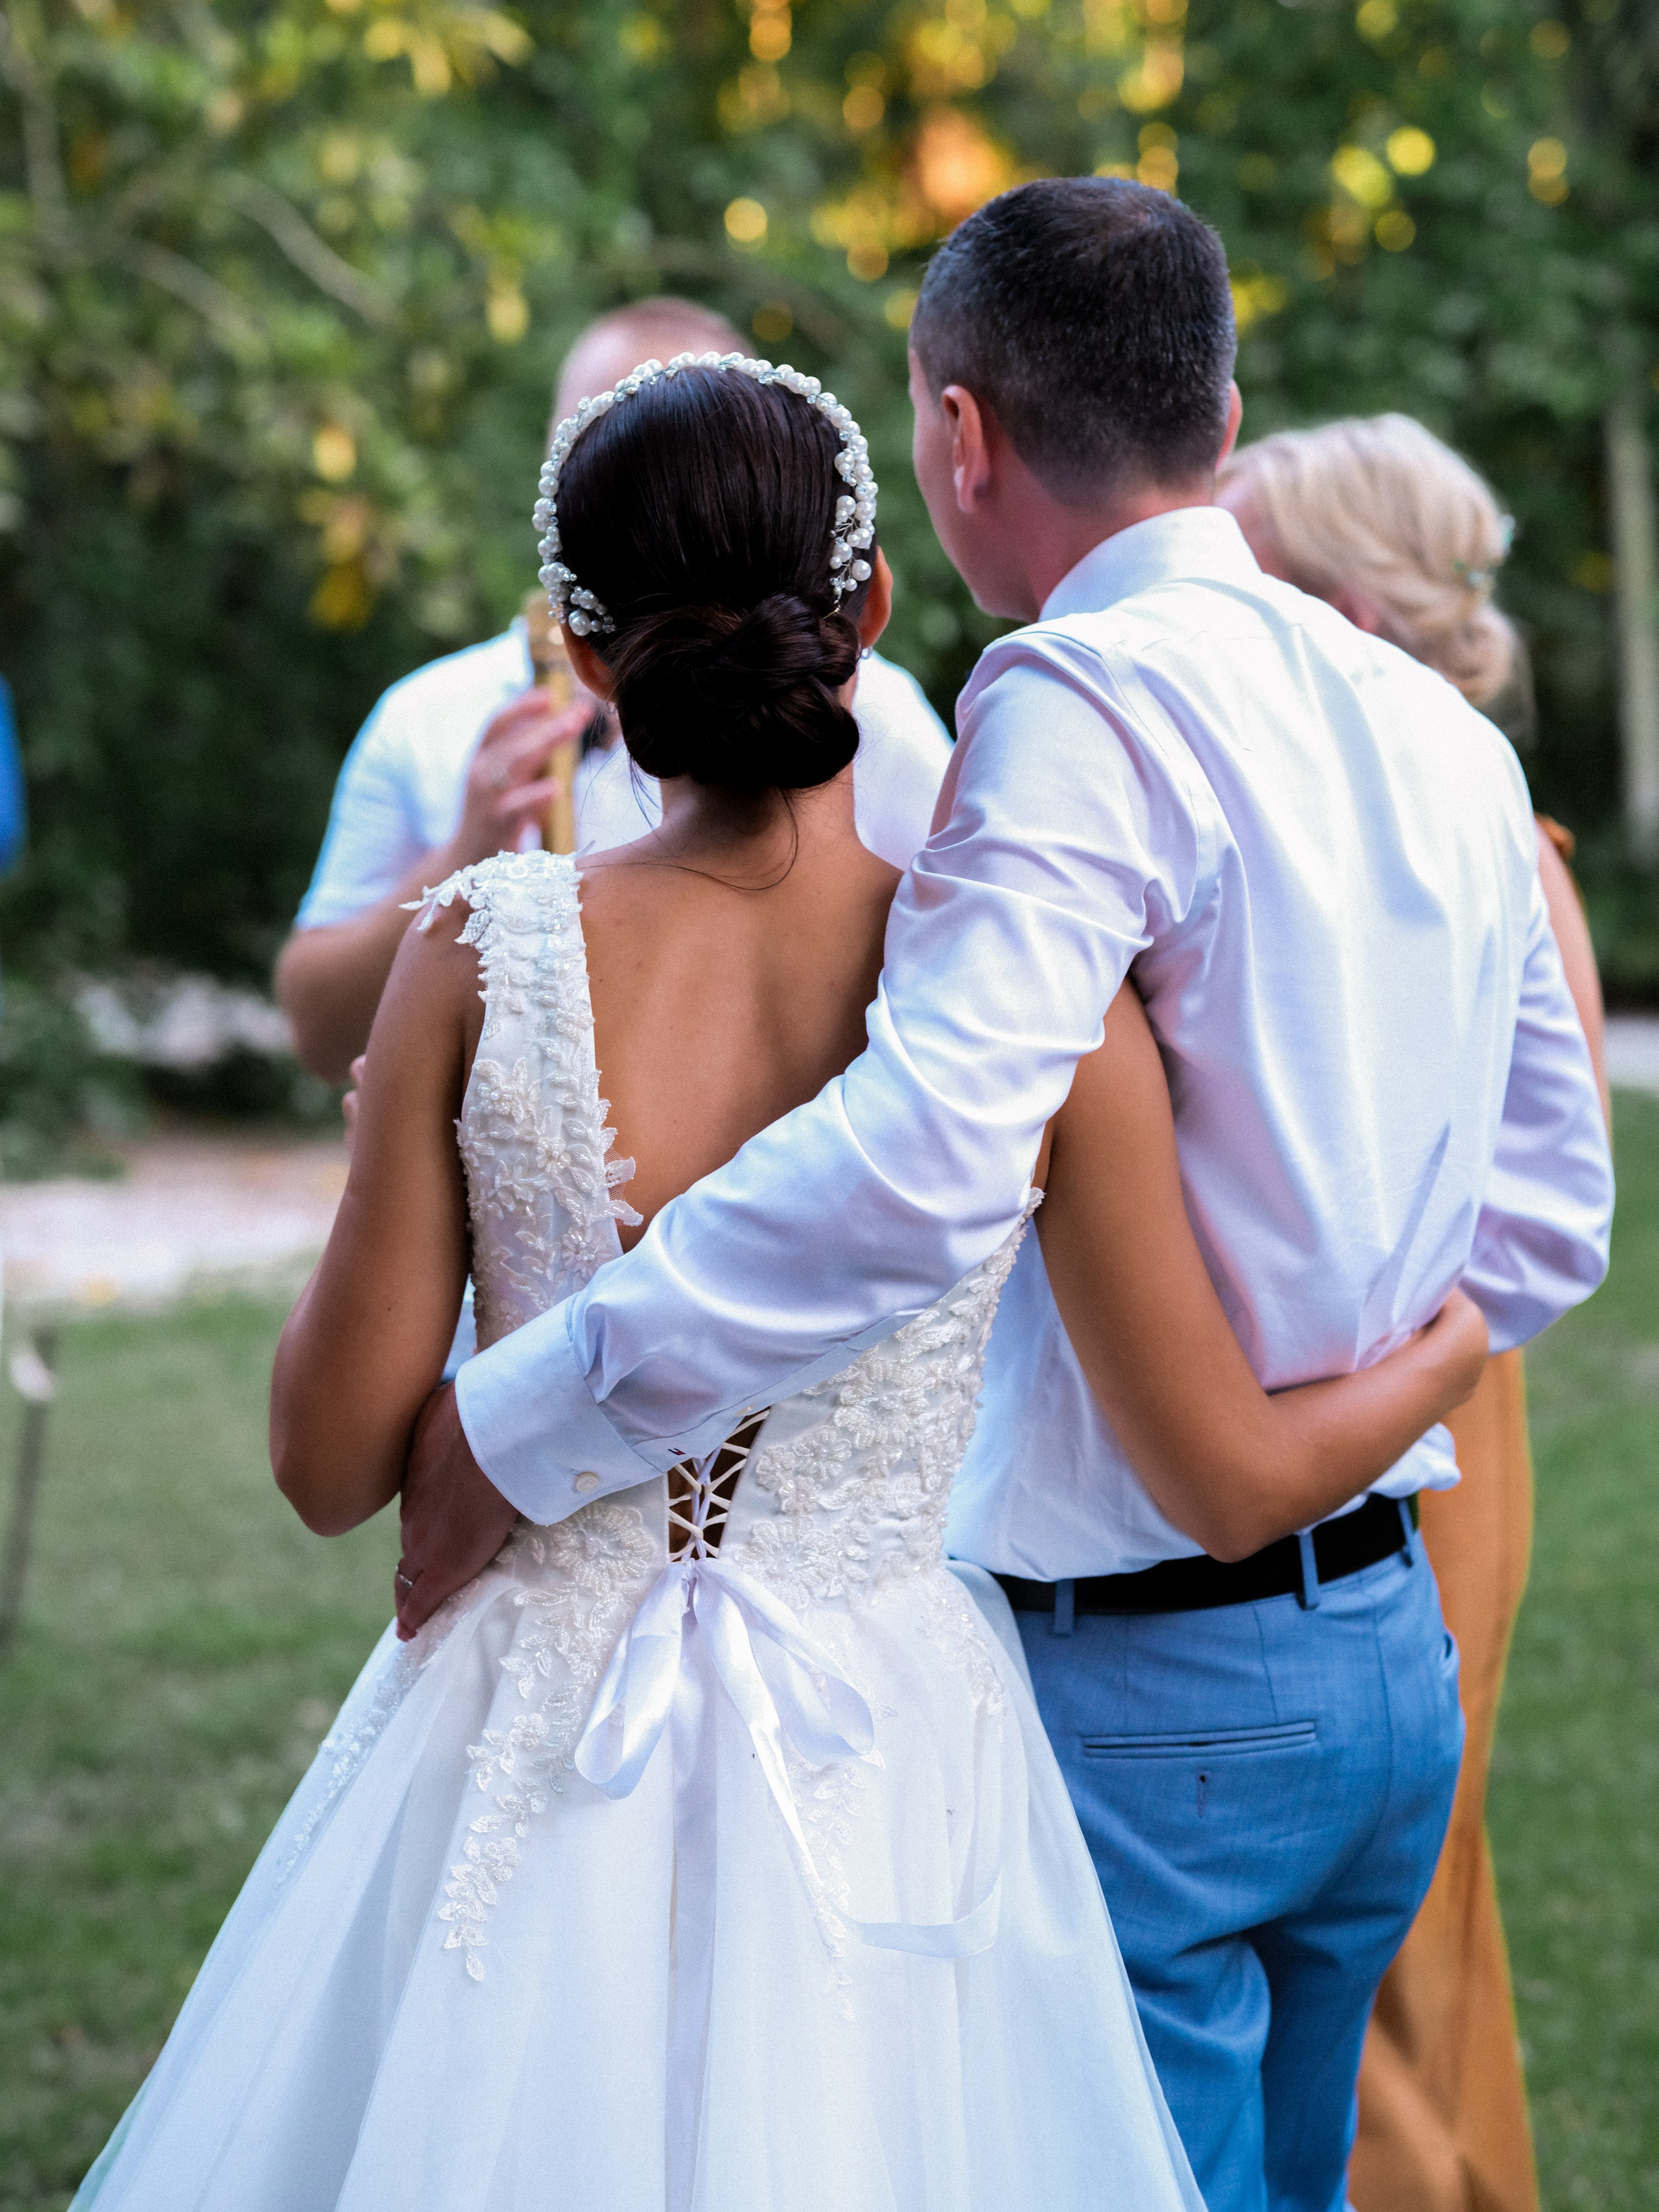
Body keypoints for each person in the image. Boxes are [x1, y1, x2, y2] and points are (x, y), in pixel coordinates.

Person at [69, 353, 1492, 2211]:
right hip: (895, 1746)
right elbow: (1203, 1430)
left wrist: (395, 1161)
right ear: (870, 614)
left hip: (523, 1728)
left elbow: (332, 1465)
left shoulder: (482, 957)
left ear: (586, 665)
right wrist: (1453, 1340)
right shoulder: (1030, 987)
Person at [389, 181, 1613, 2212]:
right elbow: (1553, 1203)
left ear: (957, 439)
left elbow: (924, 1165)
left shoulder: (1079, 698)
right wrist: (1401, 1380)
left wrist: (528, 1413)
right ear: (1218, 416)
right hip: (1386, 1666)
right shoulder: (1434, 730)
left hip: (1154, 1697)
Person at [1217, 413, 1613, 2212]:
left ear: (1349, 612)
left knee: (1389, 1901)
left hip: (1430, 1415)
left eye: (1247, 575)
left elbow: (1549, 1200)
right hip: (1332, 1398)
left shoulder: (1491, 841)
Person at [276, 297, 951, 1083]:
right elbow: (319, 1033)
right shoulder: (427, 716)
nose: (669, 502)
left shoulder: (884, 716)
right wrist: (464, 852)